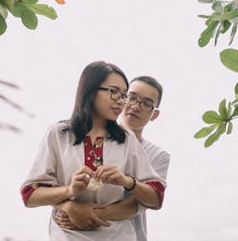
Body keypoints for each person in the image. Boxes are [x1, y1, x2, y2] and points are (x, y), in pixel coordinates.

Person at [20, 62, 166, 240]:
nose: (121, 101)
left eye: (123, 95)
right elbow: (29, 194)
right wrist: (70, 192)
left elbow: (156, 196)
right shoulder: (58, 134)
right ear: (90, 90)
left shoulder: (127, 139)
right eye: (113, 91)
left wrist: (126, 181)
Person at [54, 76, 170, 240]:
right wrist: (68, 206)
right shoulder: (80, 138)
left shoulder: (158, 156)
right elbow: (54, 187)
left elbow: (141, 203)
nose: (136, 106)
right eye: (131, 97)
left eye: (146, 103)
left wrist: (85, 214)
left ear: (154, 114)